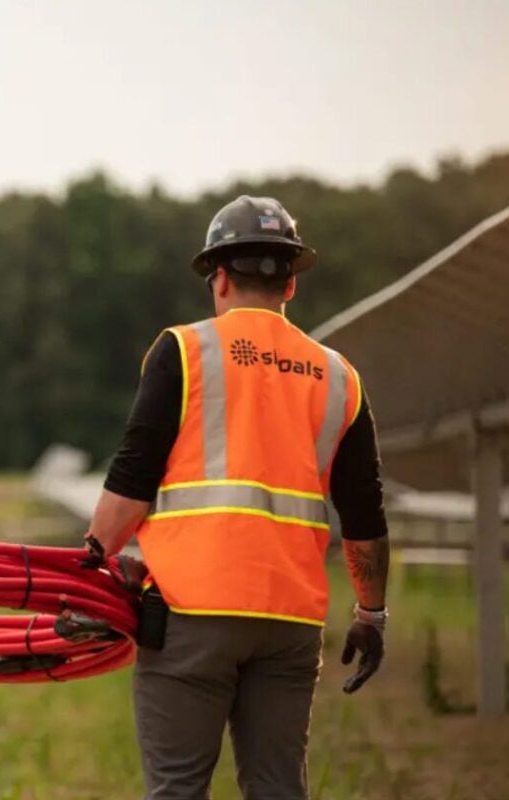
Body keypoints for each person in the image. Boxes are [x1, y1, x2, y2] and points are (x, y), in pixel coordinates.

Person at [84, 196, 390, 800]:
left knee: (178, 788)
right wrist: (371, 614)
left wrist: (89, 568)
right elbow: (365, 515)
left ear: (218, 277)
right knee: (278, 788)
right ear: (291, 285)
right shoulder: (338, 376)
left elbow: (131, 480)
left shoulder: (185, 351)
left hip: (190, 613)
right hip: (290, 622)